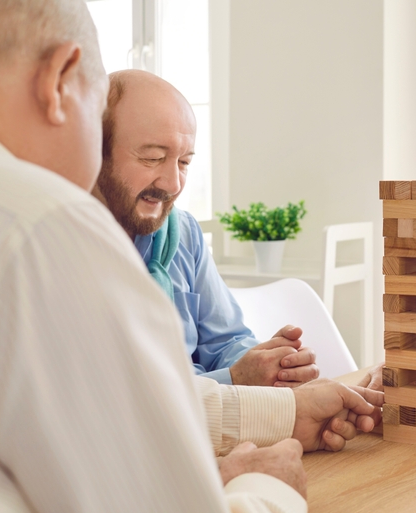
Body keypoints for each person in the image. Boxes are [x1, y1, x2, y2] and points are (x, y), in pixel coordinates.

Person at [0, 1, 381, 513]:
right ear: (62, 80)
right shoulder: (38, 227)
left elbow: (99, 404)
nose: (172, 182)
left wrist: (285, 409)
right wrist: (267, 485)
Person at [94, 69, 317, 387]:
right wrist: (236, 379)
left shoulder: (182, 233)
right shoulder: (65, 248)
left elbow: (225, 341)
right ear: (96, 150)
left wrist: (272, 364)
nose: (173, 184)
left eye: (184, 162)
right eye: (153, 158)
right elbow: (128, 392)